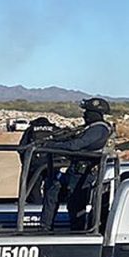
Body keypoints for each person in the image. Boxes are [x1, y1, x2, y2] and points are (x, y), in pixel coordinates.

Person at [40, 97, 114, 232]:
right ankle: (45, 227)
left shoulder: (99, 128)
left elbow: (76, 145)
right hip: (76, 170)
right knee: (53, 190)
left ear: (95, 114)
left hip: (84, 173)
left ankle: (77, 232)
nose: (84, 115)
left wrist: (51, 145)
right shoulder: (91, 127)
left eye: (87, 112)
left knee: (76, 205)